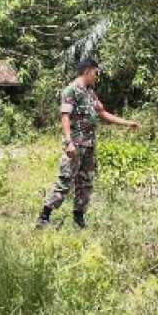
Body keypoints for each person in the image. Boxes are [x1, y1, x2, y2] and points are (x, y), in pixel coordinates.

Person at [37, 57, 140, 229]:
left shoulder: (90, 92)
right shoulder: (71, 90)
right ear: (87, 71)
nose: (96, 76)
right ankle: (44, 217)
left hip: (89, 146)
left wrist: (128, 123)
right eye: (95, 73)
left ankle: (78, 220)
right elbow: (65, 116)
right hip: (75, 145)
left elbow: (103, 113)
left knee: (85, 183)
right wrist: (68, 142)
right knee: (65, 181)